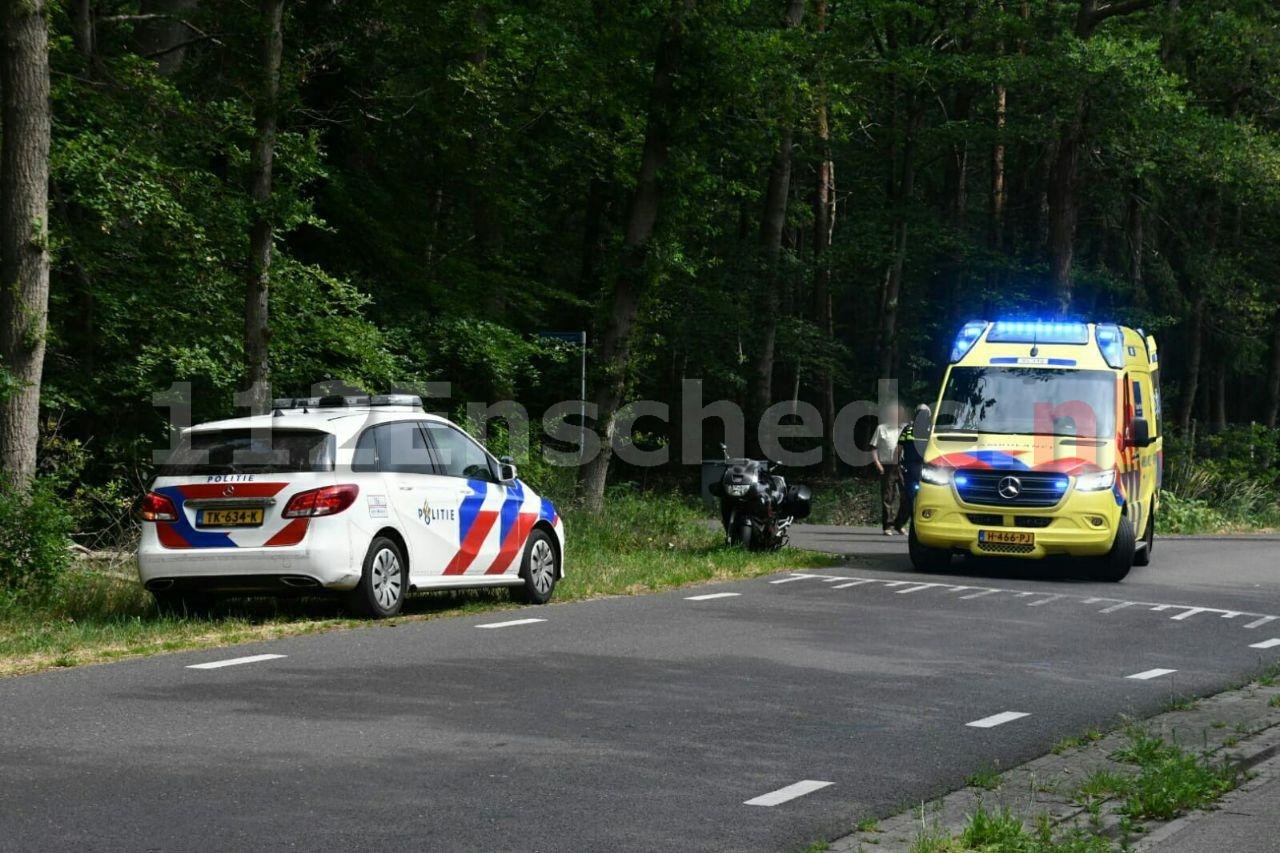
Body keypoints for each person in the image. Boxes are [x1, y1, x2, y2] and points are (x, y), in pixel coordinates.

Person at [893, 404, 931, 534]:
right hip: (909, 468)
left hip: (927, 469)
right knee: (910, 498)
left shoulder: (930, 430)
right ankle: (901, 524)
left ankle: (917, 526)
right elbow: (899, 448)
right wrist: (897, 465)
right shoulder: (908, 429)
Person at [871, 407, 906, 535]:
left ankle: (899, 523)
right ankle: (887, 526)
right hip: (887, 466)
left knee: (906, 496)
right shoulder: (881, 429)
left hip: (902, 466)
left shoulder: (904, 429)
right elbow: (873, 447)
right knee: (888, 497)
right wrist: (877, 464)